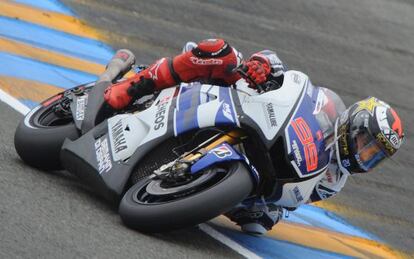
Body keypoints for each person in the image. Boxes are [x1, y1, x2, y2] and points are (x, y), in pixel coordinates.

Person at [104, 39, 405, 235]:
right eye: (366, 141)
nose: (364, 152)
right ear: (352, 122)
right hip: (247, 107)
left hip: (259, 166)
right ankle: (132, 86)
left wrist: (268, 212)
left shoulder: (332, 182)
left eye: (373, 154)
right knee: (222, 52)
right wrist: (263, 66)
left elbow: (287, 205)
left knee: (256, 227)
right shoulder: (324, 105)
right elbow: (288, 81)